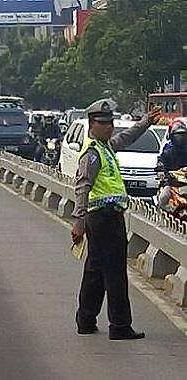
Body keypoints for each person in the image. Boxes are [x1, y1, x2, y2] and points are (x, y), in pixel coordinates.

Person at [72, 99, 162, 340]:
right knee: (114, 272)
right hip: (104, 218)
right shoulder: (91, 153)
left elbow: (128, 137)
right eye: (103, 123)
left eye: (111, 123)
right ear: (92, 124)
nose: (109, 127)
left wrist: (145, 123)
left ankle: (86, 319)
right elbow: (82, 186)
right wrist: (78, 221)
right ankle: (120, 325)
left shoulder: (106, 147)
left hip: (106, 217)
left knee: (96, 270)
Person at [156, 121, 187, 211]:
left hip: (186, 184)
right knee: (162, 198)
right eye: (177, 135)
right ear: (172, 136)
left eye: (182, 135)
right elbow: (160, 164)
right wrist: (162, 172)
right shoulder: (167, 153)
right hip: (172, 184)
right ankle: (161, 216)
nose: (180, 138)